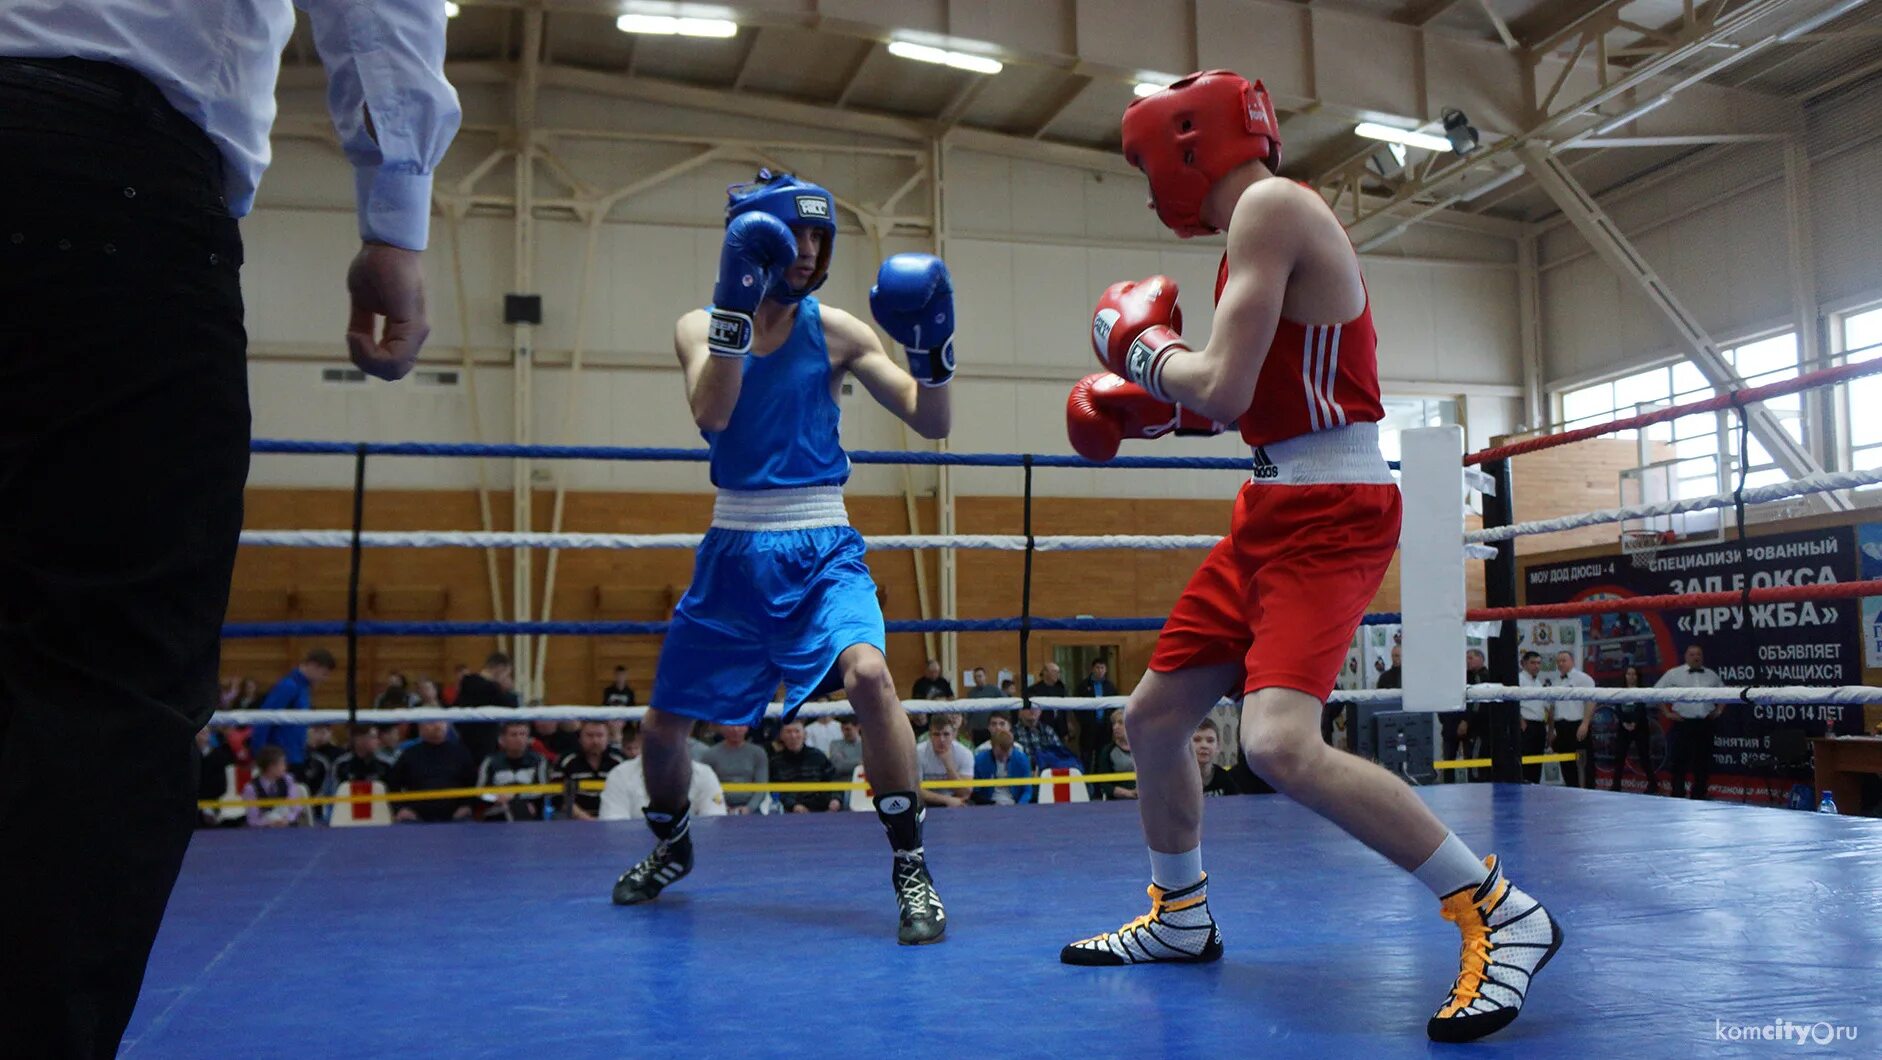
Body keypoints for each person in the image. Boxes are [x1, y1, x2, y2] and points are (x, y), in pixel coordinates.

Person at [1058, 72, 1560, 1044]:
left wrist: (1139, 352)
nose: (1147, 184)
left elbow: (1222, 381)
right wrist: (1159, 393)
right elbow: (1251, 399)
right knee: (1154, 717)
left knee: (1279, 743)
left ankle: (1499, 911)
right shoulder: (1264, 222)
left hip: (1331, 508)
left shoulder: (1271, 209)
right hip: (1276, 499)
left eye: (1144, 163)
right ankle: (1180, 914)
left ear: (1184, 145)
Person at [610, 169, 957, 946]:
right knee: (663, 730)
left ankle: (911, 866)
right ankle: (671, 849)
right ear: (750, 240)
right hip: (733, 548)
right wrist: (736, 307)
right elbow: (715, 411)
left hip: (822, 542)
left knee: (869, 674)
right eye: (792, 236)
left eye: (817, 238)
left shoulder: (836, 329)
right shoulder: (697, 326)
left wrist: (934, 349)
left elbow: (930, 420)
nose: (807, 252)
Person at [246, 648, 337, 775]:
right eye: (324, 673)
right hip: (281, 761)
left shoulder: (303, 689)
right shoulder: (289, 686)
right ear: (314, 666)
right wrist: (259, 754)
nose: (324, 679)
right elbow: (264, 719)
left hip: (294, 757)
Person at [1656, 644, 1723, 799]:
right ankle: (1678, 794)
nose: (1696, 657)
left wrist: (1718, 710)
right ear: (1686, 656)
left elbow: (1724, 692)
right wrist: (1667, 713)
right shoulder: (1674, 674)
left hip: (1705, 724)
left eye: (1698, 654)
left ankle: (1699, 794)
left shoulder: (1711, 675)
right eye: (1692, 654)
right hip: (1683, 724)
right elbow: (1655, 692)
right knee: (1679, 761)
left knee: (1703, 762)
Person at [388, 721, 478, 824]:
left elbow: (473, 784)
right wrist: (400, 808)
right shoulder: (409, 755)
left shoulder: (461, 753)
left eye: (441, 721)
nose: (437, 726)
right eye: (431, 722)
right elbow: (392, 784)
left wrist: (466, 805)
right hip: (416, 818)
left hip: (456, 817)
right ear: (420, 726)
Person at [477, 721, 550, 823]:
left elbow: (544, 789)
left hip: (530, 810)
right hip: (498, 811)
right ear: (502, 740)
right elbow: (480, 791)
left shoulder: (539, 760)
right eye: (513, 735)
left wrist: (514, 798)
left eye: (523, 734)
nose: (519, 739)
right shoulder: (490, 761)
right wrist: (495, 798)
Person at [454, 652, 517, 765]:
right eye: (507, 674)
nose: (507, 678)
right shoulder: (492, 688)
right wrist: (507, 690)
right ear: (500, 669)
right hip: (484, 743)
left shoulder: (468, 683)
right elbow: (512, 708)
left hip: (465, 740)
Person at [559, 721, 629, 821]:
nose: (595, 741)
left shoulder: (620, 761)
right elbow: (558, 798)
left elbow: (627, 795)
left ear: (608, 738)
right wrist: (586, 818)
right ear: (580, 737)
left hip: (614, 818)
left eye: (600, 735)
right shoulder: (566, 761)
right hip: (575, 820)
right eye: (589, 735)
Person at [770, 720, 842, 813]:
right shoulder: (776, 762)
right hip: (791, 811)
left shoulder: (818, 756)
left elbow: (834, 780)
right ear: (781, 736)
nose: (793, 736)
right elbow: (775, 790)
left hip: (822, 809)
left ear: (804, 735)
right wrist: (793, 805)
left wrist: (835, 799)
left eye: (797, 731)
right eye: (788, 732)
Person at [699, 723, 770, 815]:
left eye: (740, 725)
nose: (735, 729)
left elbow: (761, 787)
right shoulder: (710, 755)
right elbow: (705, 787)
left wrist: (749, 808)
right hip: (718, 806)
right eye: (731, 725)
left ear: (747, 727)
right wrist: (721, 806)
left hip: (750, 807)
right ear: (722, 727)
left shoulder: (758, 753)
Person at [1608, 666, 1658, 795]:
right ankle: (1616, 785)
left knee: (1644, 756)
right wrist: (1624, 722)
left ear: (1637, 676)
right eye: (1628, 674)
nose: (1631, 677)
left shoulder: (1642, 691)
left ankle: (1653, 785)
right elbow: (1617, 707)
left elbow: (1641, 707)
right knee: (1619, 756)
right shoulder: (1619, 691)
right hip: (1623, 726)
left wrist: (1635, 722)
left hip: (1640, 726)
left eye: (1634, 674)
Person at [1550, 650, 1594, 789]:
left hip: (1577, 725)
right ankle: (1571, 790)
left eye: (1564, 660)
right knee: (1566, 763)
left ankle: (1588, 793)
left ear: (1572, 661)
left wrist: (1585, 723)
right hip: (1561, 726)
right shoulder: (1556, 681)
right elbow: (1552, 707)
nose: (1560, 663)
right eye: (1558, 661)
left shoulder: (1584, 679)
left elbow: (1592, 701)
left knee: (1584, 763)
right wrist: (1551, 730)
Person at [972, 714, 1034, 806]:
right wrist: (987, 805)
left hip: (1015, 804)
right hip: (989, 805)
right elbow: (975, 791)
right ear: (992, 748)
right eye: (1000, 756)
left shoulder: (1021, 759)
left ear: (1012, 748)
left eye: (1007, 755)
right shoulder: (980, 760)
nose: (1003, 759)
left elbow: (1027, 791)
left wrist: (1020, 807)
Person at [240, 746, 307, 829]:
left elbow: (296, 807)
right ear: (271, 767)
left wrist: (287, 819)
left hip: (288, 827)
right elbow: (253, 819)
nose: (285, 767)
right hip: (262, 831)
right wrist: (270, 823)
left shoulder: (288, 780)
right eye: (282, 764)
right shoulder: (251, 788)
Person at [917, 715, 975, 808]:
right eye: (936, 734)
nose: (941, 740)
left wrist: (949, 766)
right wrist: (946, 800)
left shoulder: (965, 754)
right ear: (930, 735)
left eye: (946, 734)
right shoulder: (918, 752)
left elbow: (966, 793)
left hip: (956, 800)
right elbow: (915, 790)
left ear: (953, 735)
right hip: (926, 802)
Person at [1517, 651, 1551, 784]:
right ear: (1524, 663)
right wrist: (1519, 720)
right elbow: (1511, 702)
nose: (1536, 666)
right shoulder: (1519, 679)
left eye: (1538, 663)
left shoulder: (1538, 682)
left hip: (1539, 726)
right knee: (1525, 762)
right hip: (1526, 725)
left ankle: (1533, 790)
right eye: (1532, 663)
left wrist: (1548, 729)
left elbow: (1545, 707)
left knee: (1537, 763)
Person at [1093, 709, 1138, 801]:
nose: (1115, 727)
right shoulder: (1108, 751)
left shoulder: (1143, 748)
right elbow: (1105, 785)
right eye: (1114, 724)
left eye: (1120, 723)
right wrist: (1128, 793)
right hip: (1118, 801)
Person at [1194, 719, 1239, 797]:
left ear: (1218, 747)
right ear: (1186, 746)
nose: (1204, 745)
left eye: (1210, 740)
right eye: (1197, 740)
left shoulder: (1224, 778)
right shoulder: (1175, 779)